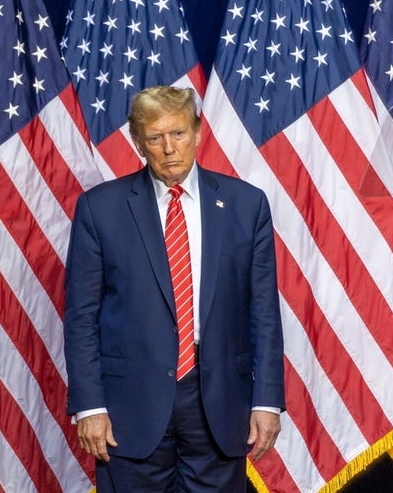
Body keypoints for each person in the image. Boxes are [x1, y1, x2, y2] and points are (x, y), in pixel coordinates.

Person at [64, 85, 285, 491]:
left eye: (178, 133)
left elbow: (264, 313)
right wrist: (89, 405)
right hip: (129, 408)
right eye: (155, 137)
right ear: (138, 143)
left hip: (218, 401)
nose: (169, 148)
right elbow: (81, 316)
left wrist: (267, 401)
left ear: (198, 132)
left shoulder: (246, 204)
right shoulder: (100, 209)